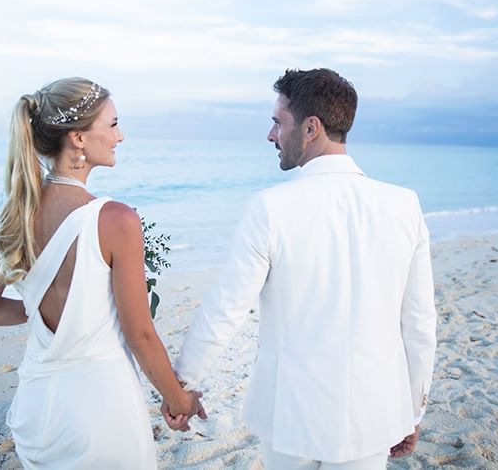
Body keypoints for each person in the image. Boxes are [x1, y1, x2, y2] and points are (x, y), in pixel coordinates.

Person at [171, 68, 437, 469]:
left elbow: (226, 308)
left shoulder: (270, 207)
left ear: (311, 128)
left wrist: (182, 385)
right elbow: (419, 325)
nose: (271, 135)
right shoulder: (403, 205)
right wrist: (412, 411)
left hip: (290, 414)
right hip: (373, 412)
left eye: (278, 122)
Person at [0, 77, 205, 469]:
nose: (120, 136)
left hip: (36, 409)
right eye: (112, 125)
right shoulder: (114, 219)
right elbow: (140, 334)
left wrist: (40, 306)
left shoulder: (11, 217)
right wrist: (180, 401)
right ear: (78, 138)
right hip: (101, 412)